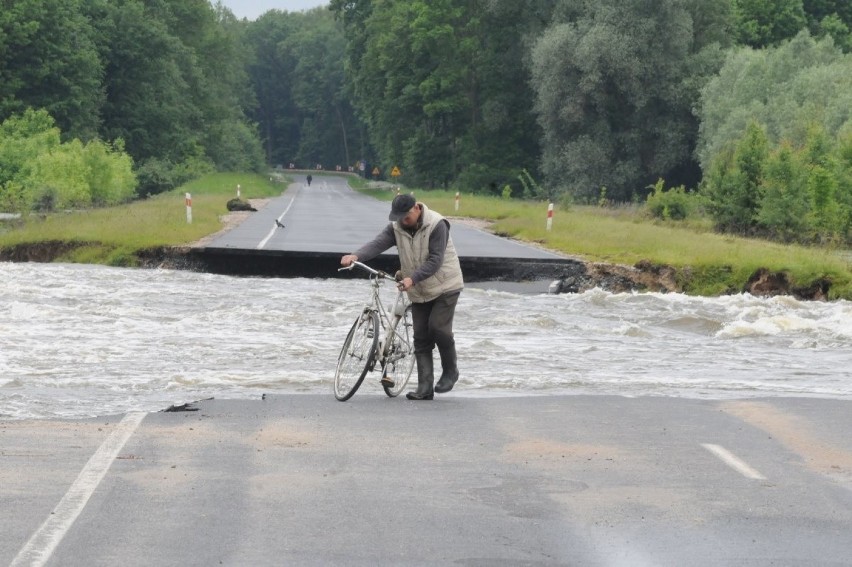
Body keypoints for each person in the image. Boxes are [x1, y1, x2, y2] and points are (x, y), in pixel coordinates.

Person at [340, 194, 464, 400]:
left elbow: (435, 260)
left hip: (445, 285)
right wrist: (356, 255)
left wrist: (411, 279)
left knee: (438, 328)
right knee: (420, 336)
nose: (402, 222)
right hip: (418, 289)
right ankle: (425, 388)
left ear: (416, 208)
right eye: (398, 218)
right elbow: (378, 243)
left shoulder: (437, 225)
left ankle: (451, 371)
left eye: (405, 217)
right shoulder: (397, 227)